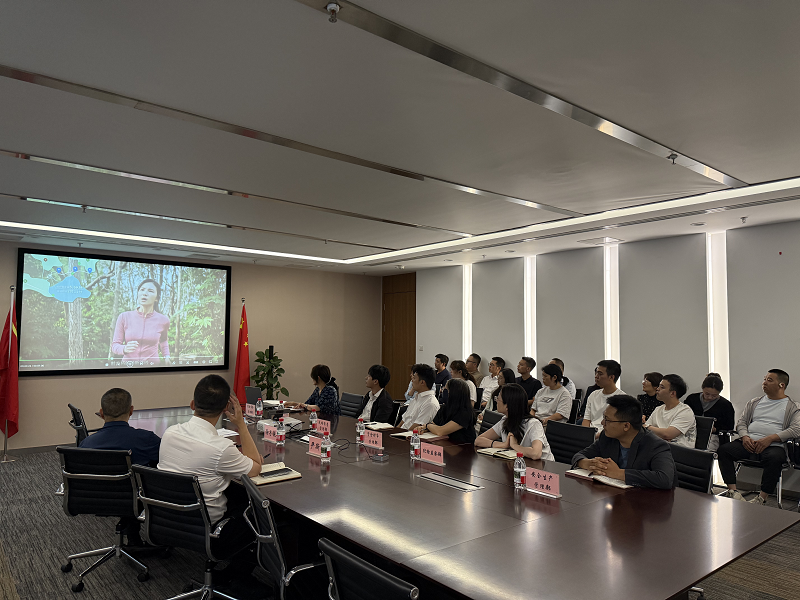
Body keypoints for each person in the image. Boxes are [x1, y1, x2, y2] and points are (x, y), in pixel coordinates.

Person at [158, 375, 261, 551]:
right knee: (259, 511)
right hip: (208, 528)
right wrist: (241, 425)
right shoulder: (221, 448)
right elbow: (256, 467)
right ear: (226, 408)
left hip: (167, 517)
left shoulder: (169, 433)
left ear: (192, 404)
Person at [80, 388, 162, 546]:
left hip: (94, 499)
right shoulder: (146, 439)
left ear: (101, 413)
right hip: (135, 499)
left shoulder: (86, 444)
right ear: (131, 411)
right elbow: (164, 463)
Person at [718, 369, 800, 506]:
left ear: (781, 385)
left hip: (774, 445)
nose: (764, 383)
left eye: (769, 380)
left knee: (775, 458)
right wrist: (745, 437)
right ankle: (733, 491)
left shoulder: (793, 406)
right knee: (724, 450)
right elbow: (742, 423)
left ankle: (762, 498)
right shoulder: (754, 402)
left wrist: (770, 438)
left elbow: (796, 430)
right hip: (749, 442)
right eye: (764, 379)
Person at [572, 394, 676, 489]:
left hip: (648, 500)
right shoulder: (607, 437)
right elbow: (579, 455)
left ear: (626, 426)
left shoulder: (656, 445)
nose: (602, 423)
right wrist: (588, 463)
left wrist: (618, 473)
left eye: (607, 419)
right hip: (614, 495)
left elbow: (665, 479)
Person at [474, 383, 554, 461]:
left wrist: (514, 445)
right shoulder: (505, 420)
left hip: (544, 467)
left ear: (507, 406)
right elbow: (478, 440)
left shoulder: (533, 424)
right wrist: (503, 445)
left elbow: (536, 454)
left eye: (498, 399)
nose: (496, 401)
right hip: (520, 464)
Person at [111, 278, 170, 365]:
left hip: (153, 367)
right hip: (128, 367)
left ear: (156, 298)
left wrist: (167, 356)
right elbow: (115, 345)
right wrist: (124, 349)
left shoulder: (163, 320)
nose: (144, 293)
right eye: (142, 290)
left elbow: (163, 341)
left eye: (150, 291)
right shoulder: (124, 317)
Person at [684, 373, 735, 451]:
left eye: (714, 395)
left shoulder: (726, 405)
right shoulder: (692, 399)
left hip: (713, 436)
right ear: (702, 389)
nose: (710, 397)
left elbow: (729, 427)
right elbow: (683, 415)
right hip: (690, 432)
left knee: (706, 449)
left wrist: (715, 429)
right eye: (707, 394)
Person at [645, 374, 697, 448]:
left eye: (662, 387)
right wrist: (660, 434)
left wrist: (648, 428)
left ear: (672, 393)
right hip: (659, 447)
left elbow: (668, 434)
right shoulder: (658, 409)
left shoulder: (685, 411)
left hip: (679, 451)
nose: (657, 389)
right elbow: (645, 432)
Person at [424, 379, 477, 444]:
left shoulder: (465, 413)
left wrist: (427, 426)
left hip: (462, 447)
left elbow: (441, 431)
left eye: (446, 389)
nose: (443, 390)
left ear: (453, 393)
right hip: (445, 444)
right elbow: (434, 424)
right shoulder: (444, 408)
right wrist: (424, 429)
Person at [582, 360, 625, 435]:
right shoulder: (593, 395)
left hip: (608, 436)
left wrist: (597, 436)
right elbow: (586, 420)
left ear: (611, 377)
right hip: (590, 434)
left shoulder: (622, 398)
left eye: (600, 374)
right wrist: (586, 435)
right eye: (596, 373)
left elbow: (616, 427)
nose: (596, 376)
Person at [399, 364, 440, 431]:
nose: (412, 380)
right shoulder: (416, 398)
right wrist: (394, 431)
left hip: (409, 435)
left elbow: (416, 428)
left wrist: (398, 433)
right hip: (401, 433)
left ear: (422, 382)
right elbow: (404, 420)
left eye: (414, 378)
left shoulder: (430, 403)